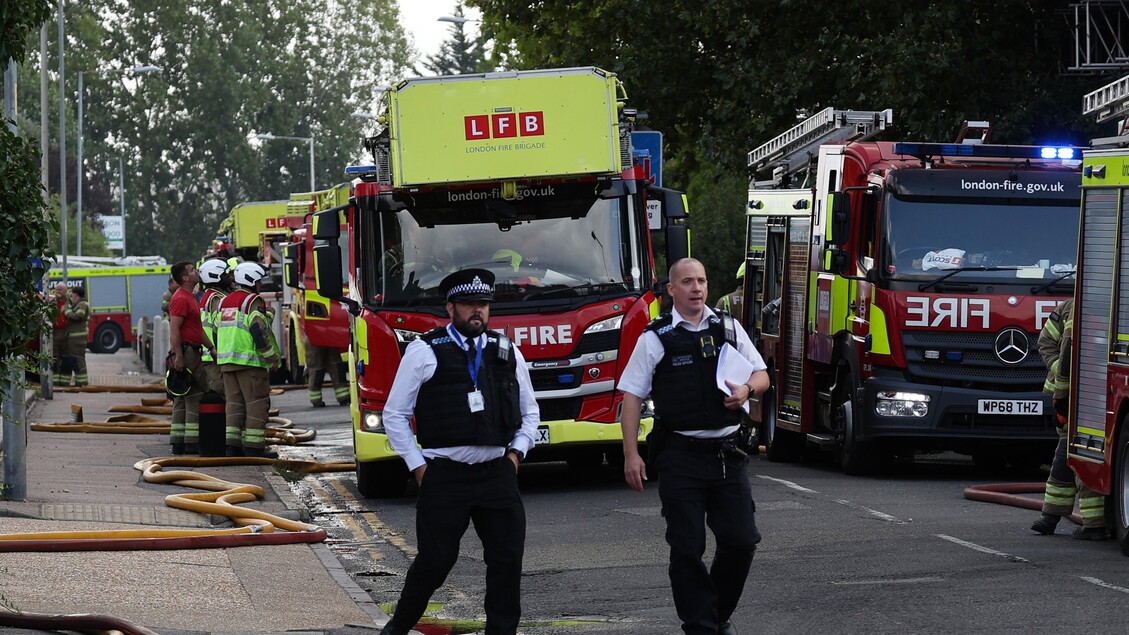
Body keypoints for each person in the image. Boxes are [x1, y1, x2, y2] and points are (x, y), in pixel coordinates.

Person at [379, 268, 539, 635]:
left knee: (506, 562)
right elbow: (395, 414)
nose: (477, 312)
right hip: (445, 475)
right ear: (450, 307)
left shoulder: (506, 350)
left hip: (497, 473)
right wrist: (419, 468)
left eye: (483, 304)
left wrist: (516, 454)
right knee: (435, 562)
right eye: (469, 305)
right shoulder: (424, 350)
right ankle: (397, 629)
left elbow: (530, 411)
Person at [619, 257, 769, 635]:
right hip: (680, 456)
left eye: (701, 280)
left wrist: (747, 390)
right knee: (687, 548)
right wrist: (631, 454)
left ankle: (715, 616)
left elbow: (762, 373)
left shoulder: (728, 327)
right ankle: (701, 626)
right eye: (687, 282)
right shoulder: (655, 338)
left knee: (742, 541)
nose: (697, 288)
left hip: (727, 455)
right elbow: (632, 398)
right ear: (672, 290)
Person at [1031, 298, 1107, 540]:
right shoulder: (1067, 307)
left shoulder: (1113, 308)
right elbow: (1046, 342)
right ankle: (1053, 516)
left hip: (1097, 395)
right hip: (1069, 396)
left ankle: (1090, 523)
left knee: (1086, 455)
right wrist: (1058, 370)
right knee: (1067, 453)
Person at [215, 262, 279, 458]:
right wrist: (270, 357)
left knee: (234, 404)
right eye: (259, 281)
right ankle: (254, 448)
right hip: (250, 363)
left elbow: (217, 329)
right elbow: (257, 329)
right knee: (256, 404)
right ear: (251, 280)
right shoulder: (253, 301)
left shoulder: (225, 301)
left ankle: (232, 447)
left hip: (227, 363)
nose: (261, 284)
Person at [167, 261, 214, 455]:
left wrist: (211, 347)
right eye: (192, 270)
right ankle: (191, 443)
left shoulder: (189, 297)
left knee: (181, 397)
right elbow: (174, 329)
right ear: (185, 278)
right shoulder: (181, 298)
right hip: (187, 353)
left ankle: (179, 442)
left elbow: (197, 329)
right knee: (194, 395)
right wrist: (179, 356)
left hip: (191, 350)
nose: (196, 272)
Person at [197, 259, 232, 398]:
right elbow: (221, 326)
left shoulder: (208, 296)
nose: (229, 277)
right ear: (215, 276)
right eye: (225, 274)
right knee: (223, 393)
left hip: (209, 354)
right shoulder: (218, 298)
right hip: (215, 355)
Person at [304, 337, 349, 407]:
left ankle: (316, 400)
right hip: (325, 335)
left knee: (333, 367)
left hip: (319, 336)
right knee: (321, 369)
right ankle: (343, 398)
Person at [62, 286, 91, 387]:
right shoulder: (78, 304)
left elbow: (78, 317)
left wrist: (66, 311)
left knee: (78, 359)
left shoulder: (82, 304)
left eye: (72, 295)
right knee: (75, 359)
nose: (71, 297)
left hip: (78, 338)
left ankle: (82, 383)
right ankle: (80, 382)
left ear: (76, 295)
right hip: (75, 338)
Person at [49, 282, 70, 387]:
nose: (58, 292)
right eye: (56, 290)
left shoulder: (70, 302)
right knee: (54, 357)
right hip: (55, 332)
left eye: (60, 290)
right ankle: (55, 381)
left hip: (68, 333)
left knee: (66, 357)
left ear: (66, 291)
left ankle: (65, 381)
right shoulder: (52, 302)